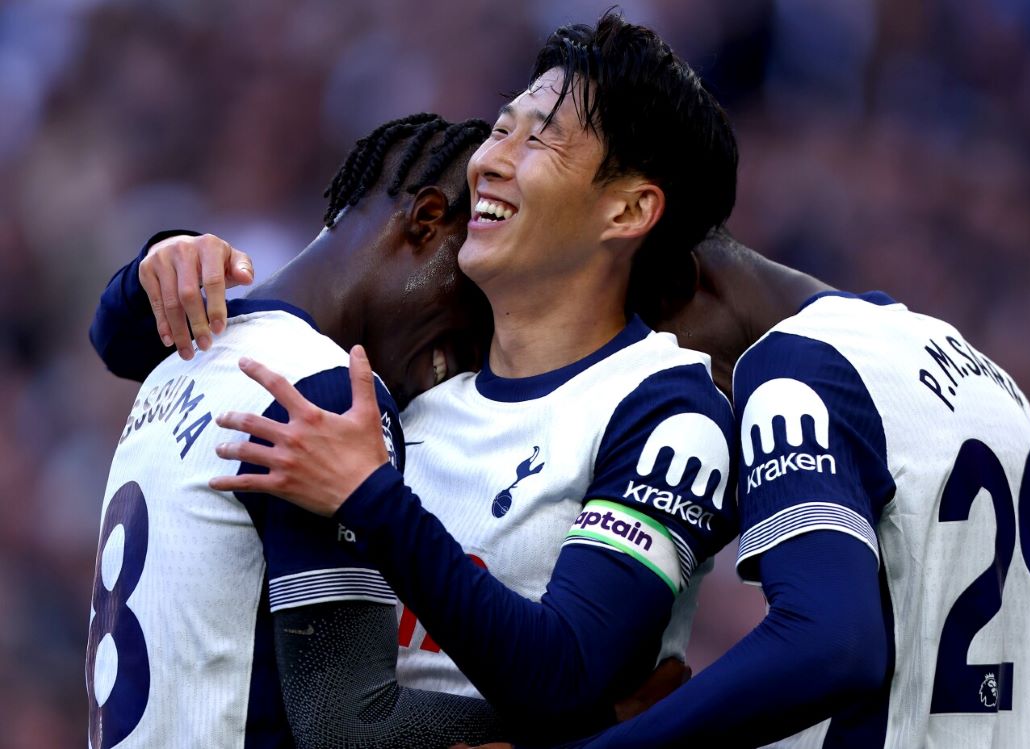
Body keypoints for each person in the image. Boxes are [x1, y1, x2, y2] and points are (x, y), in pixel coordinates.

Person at [197, 227, 1030, 749]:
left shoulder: (786, 375)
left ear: (681, 294)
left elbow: (828, 640)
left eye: (629, 343)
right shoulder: (953, 365)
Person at [91, 12, 739, 747]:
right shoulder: (396, 397)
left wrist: (373, 497)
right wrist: (155, 272)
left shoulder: (663, 407)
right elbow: (344, 717)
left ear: (628, 208)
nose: (491, 160)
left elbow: (568, 671)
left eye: (539, 138)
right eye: (502, 128)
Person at [85, 113, 521, 748]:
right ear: (426, 222)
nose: (462, 360)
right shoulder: (325, 394)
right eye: (474, 308)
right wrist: (583, 722)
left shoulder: (187, 357)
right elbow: (353, 729)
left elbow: (109, 334)